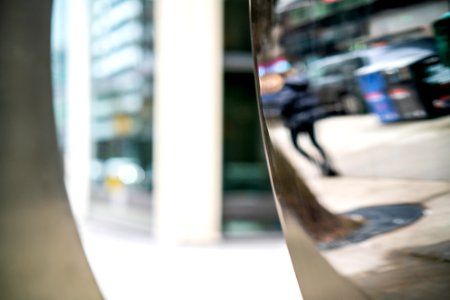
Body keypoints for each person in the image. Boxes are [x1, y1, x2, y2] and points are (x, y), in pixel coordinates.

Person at [276, 72, 339, 177]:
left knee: (296, 145)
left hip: (295, 123)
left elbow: (283, 108)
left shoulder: (287, 91)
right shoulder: (304, 87)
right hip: (309, 120)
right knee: (315, 143)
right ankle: (327, 164)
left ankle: (318, 164)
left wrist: (285, 117)